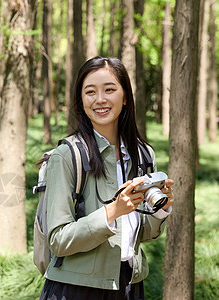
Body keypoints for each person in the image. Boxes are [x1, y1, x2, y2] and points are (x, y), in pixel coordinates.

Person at [39, 56, 175, 300]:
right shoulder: (67, 156)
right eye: (90, 92)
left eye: (109, 90)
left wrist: (160, 210)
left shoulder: (142, 154)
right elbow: (58, 240)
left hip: (129, 284)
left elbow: (141, 234)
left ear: (125, 98)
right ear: (81, 101)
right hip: (76, 289)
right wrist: (113, 212)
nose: (100, 99)